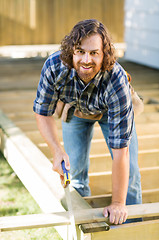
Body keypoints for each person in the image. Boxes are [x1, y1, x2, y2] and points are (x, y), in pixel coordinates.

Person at [33, 19, 142, 225]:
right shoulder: (54, 67)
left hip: (112, 112)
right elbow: (43, 112)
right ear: (71, 51)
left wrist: (118, 202)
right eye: (80, 51)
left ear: (104, 54)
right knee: (75, 176)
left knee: (132, 178)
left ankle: (132, 228)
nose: (86, 59)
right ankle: (82, 225)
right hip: (76, 110)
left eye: (94, 53)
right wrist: (56, 150)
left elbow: (121, 151)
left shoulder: (116, 80)